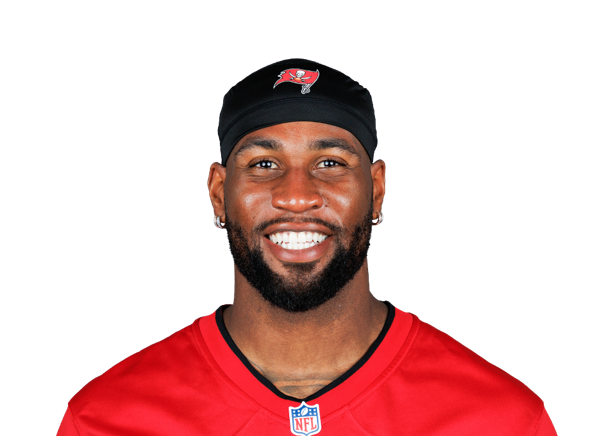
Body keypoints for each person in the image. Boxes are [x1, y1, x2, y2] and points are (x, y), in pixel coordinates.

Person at [57, 59, 557, 435]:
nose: (297, 196)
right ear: (218, 192)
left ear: (377, 189)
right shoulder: (105, 418)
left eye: (331, 164)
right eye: (264, 165)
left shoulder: (504, 420)